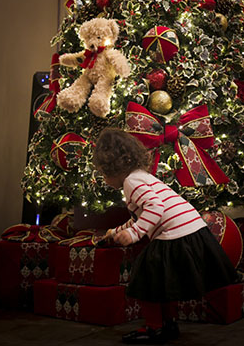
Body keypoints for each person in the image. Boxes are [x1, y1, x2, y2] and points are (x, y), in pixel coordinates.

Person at [93, 127, 238, 345]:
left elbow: (155, 207)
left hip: (175, 234)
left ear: (114, 168)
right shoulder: (141, 177)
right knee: (162, 283)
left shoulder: (131, 183)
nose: (104, 180)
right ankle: (167, 324)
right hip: (191, 229)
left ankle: (154, 327)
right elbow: (143, 213)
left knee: (146, 280)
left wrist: (134, 234)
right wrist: (116, 232)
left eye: (104, 173)